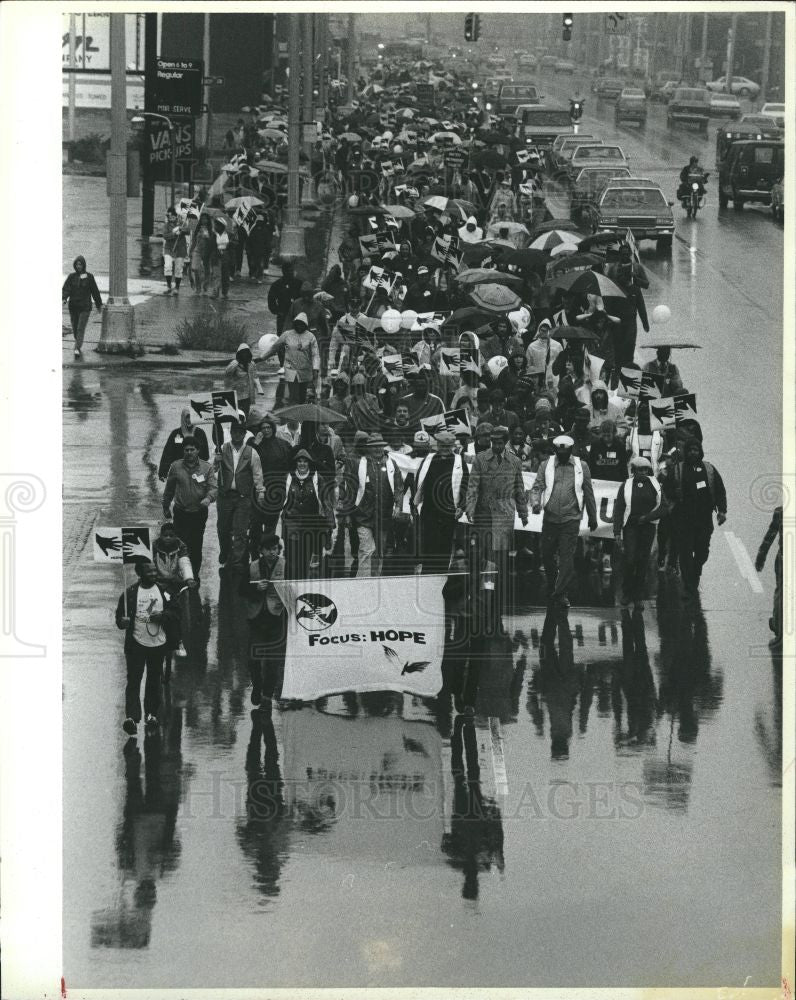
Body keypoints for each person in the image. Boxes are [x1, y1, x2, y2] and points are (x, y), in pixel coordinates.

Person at [465, 426, 529, 621]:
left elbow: (519, 488)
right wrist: (470, 507)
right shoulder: (481, 459)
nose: (497, 446)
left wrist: (523, 513)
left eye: (500, 442)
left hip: (504, 517)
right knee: (483, 558)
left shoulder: (515, 462)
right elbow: (473, 486)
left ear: (506, 442)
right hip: (484, 515)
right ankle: (481, 598)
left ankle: (494, 600)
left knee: (498, 560)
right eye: (494, 442)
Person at [530, 434, 598, 609]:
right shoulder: (546, 465)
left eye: (565, 451)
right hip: (550, 518)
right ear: (555, 450)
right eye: (559, 451)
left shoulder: (581, 467)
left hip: (571, 519)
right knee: (546, 555)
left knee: (567, 558)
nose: (562, 454)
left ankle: (561, 593)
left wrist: (592, 516)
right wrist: (536, 503)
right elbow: (537, 486)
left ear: (571, 449)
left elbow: (588, 492)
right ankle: (554, 583)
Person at [115, 560, 179, 736]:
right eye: (149, 572)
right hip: (136, 644)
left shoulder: (164, 591)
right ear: (140, 574)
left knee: (153, 679)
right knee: (134, 680)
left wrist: (164, 616)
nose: (153, 574)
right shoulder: (129, 593)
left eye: (154, 571)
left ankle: (151, 714)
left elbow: (176, 612)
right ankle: (132, 718)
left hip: (158, 644)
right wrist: (123, 622)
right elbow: (119, 618)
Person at [669, 437, 727, 601]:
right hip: (683, 521)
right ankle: (689, 587)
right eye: (690, 450)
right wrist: (675, 496)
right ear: (685, 452)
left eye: (696, 449)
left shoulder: (709, 469)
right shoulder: (677, 470)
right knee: (685, 555)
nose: (693, 452)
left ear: (700, 451)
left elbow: (720, 491)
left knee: (702, 553)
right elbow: (667, 492)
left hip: (704, 521)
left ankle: (696, 572)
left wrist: (722, 511)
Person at [413, 429, 469, 574]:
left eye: (447, 447)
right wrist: (415, 503)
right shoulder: (428, 459)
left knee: (444, 546)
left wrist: (462, 506)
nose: (444, 449)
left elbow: (465, 485)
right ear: (437, 445)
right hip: (429, 510)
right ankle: (427, 576)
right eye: (441, 446)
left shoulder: (458, 461)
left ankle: (441, 576)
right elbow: (418, 481)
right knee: (429, 545)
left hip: (448, 510)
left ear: (452, 446)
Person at [613, 457, 664, 611]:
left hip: (648, 526)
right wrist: (617, 531)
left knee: (643, 560)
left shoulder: (656, 485)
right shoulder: (626, 485)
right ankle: (627, 592)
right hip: (631, 527)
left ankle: (638, 595)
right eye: (638, 469)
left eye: (645, 470)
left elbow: (663, 507)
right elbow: (619, 508)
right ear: (633, 470)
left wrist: (647, 518)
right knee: (630, 559)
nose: (642, 472)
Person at [162, 436, 217, 579]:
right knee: (180, 543)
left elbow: (214, 488)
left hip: (199, 513)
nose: (189, 452)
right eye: (186, 450)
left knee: (196, 543)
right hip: (181, 512)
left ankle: (194, 575)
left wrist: (208, 498)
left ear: (198, 450)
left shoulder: (207, 467)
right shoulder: (175, 466)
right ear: (183, 451)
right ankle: (181, 573)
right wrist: (166, 506)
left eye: (192, 449)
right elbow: (169, 489)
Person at [351, 433, 404, 578]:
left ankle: (374, 581)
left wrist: (398, 506)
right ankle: (362, 584)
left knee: (379, 553)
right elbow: (351, 488)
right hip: (363, 515)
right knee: (367, 550)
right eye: (374, 446)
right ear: (368, 448)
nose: (377, 449)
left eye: (379, 446)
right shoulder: (359, 464)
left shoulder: (391, 464)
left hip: (384, 516)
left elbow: (399, 487)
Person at [216, 417, 266, 571]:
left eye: (240, 432)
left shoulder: (252, 452)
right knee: (223, 528)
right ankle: (225, 550)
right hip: (224, 496)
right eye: (234, 432)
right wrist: (216, 461)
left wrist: (260, 492)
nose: (237, 435)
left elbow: (258, 474)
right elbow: (213, 471)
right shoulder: (221, 449)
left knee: (240, 531)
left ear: (244, 434)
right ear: (230, 433)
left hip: (243, 497)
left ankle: (237, 562)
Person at [244, 533, 288, 705]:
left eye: (275, 548)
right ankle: (257, 685)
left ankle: (267, 695)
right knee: (253, 658)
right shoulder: (252, 566)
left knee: (273, 661)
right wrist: (255, 590)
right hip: (257, 619)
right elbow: (241, 590)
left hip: (277, 619)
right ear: (260, 550)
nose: (272, 552)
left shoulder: (286, 566)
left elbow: (295, 589)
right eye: (268, 549)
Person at [280, 449, 331, 579]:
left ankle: (302, 589)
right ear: (295, 463)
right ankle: (289, 589)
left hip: (310, 526)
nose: (302, 464)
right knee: (291, 560)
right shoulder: (288, 478)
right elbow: (281, 501)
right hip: (291, 525)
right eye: (299, 461)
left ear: (309, 464)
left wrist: (330, 525)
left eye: (305, 462)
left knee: (305, 560)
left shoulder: (317, 478)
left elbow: (326, 502)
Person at [260, 313, 320, 406]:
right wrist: (262, 358)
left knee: (303, 396)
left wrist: (316, 368)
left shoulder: (310, 336)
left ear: (305, 325)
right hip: (291, 369)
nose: (299, 326)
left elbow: (315, 354)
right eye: (297, 324)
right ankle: (294, 414)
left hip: (305, 369)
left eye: (302, 324)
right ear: (294, 324)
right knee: (293, 396)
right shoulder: (287, 334)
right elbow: (274, 347)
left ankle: (302, 413)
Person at [62, 254, 103, 358]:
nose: (78, 266)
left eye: (80, 264)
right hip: (73, 307)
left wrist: (98, 304)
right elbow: (66, 288)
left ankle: (77, 347)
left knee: (80, 328)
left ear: (83, 265)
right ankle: (78, 343)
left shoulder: (89, 277)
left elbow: (95, 291)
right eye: (77, 264)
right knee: (75, 328)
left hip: (85, 307)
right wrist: (64, 298)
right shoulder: (71, 277)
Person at [755, 506, 783, 646]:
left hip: (784, 556)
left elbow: (770, 535)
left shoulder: (781, 511)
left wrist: (761, 557)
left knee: (781, 592)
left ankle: (779, 629)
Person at [158, 409, 210, 481]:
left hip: (197, 472)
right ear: (183, 418)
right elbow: (167, 454)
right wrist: (163, 472)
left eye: (192, 417)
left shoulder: (200, 433)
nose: (189, 420)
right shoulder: (176, 434)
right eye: (187, 417)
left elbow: (205, 455)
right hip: (179, 472)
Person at [224, 343, 263, 416]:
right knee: (237, 415)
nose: (245, 354)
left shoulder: (251, 364)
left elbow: (255, 376)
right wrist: (235, 364)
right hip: (237, 396)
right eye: (243, 352)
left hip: (247, 395)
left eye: (246, 352)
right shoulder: (234, 364)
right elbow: (227, 374)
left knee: (245, 415)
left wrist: (259, 388)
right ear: (239, 354)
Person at [162, 206, 189, 295]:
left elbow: (188, 230)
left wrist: (182, 230)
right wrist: (174, 234)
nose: (171, 218)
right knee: (168, 266)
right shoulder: (166, 225)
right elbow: (165, 236)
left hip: (180, 249)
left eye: (173, 216)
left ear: (176, 216)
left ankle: (177, 287)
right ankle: (169, 286)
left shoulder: (182, 223)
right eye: (169, 216)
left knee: (178, 269)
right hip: (169, 249)